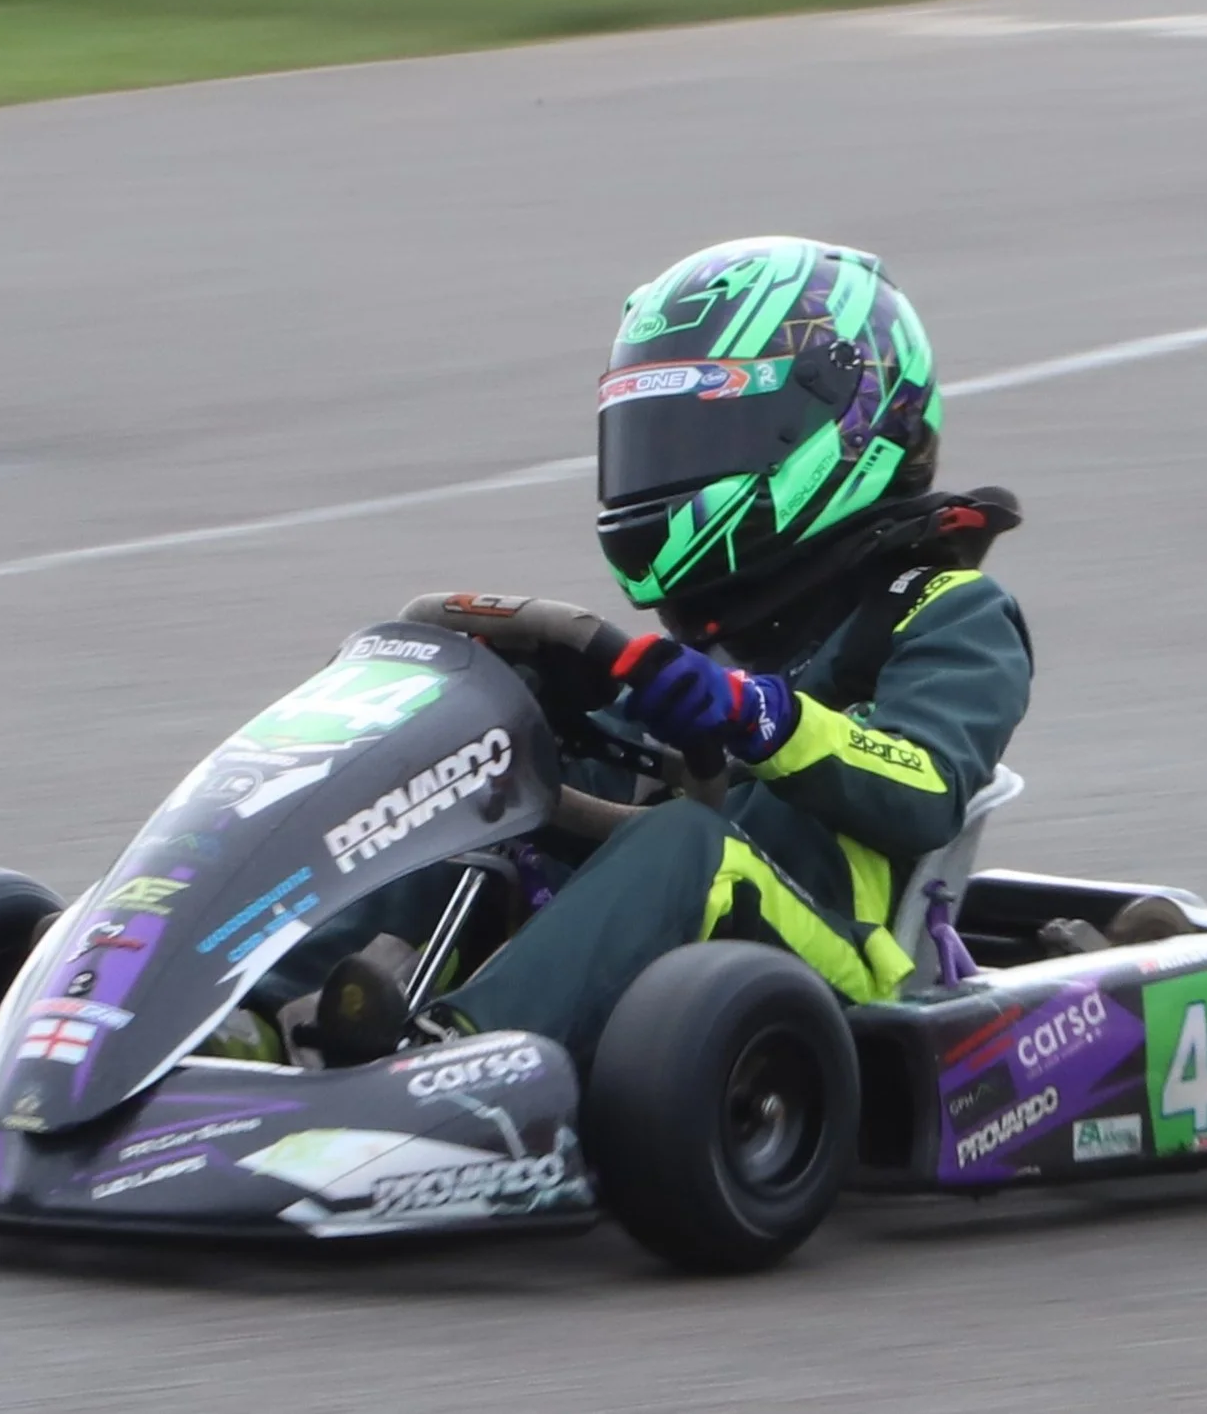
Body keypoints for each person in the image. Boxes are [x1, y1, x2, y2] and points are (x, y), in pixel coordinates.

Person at [314, 236, 1042, 1071]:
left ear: (842, 427)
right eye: (655, 438)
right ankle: (260, 1014)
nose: (668, 470)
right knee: (476, 773)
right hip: (692, 961)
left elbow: (927, 784)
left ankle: (462, 1069)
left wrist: (759, 716)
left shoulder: (949, 612)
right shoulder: (715, 642)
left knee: (685, 841)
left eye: (707, 438)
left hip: (840, 962)